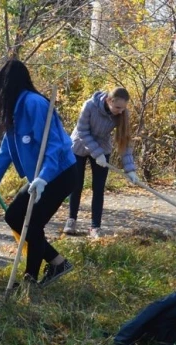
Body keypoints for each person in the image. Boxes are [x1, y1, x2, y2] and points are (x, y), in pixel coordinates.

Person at [0, 59, 75, 286]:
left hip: (60, 173)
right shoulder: (13, 108)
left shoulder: (34, 104)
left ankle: (31, 278)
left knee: (32, 222)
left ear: (8, 84)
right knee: (14, 216)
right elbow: (6, 149)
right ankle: (57, 262)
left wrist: (44, 178)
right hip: (40, 176)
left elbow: (54, 145)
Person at [64, 87, 138, 238]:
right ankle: (71, 220)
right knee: (76, 184)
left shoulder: (122, 114)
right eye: (118, 107)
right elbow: (82, 131)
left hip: (103, 147)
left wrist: (130, 169)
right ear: (108, 100)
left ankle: (95, 227)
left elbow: (125, 141)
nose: (121, 111)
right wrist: (96, 153)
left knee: (98, 188)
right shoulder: (89, 106)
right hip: (79, 146)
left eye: (124, 108)